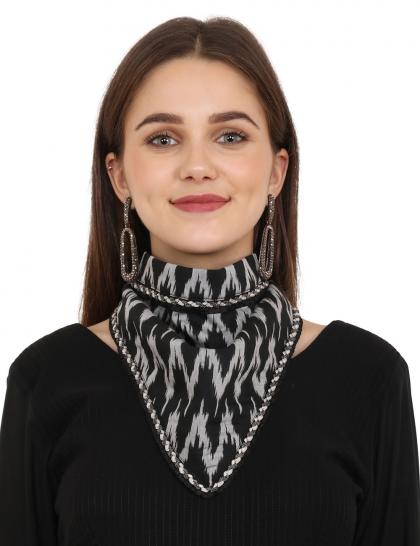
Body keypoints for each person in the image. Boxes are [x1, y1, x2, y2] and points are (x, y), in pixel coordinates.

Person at [0, 15, 419, 546]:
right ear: (119, 175)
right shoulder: (47, 381)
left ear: (277, 171)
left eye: (230, 136)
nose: (197, 166)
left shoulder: (369, 380)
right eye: (163, 138)